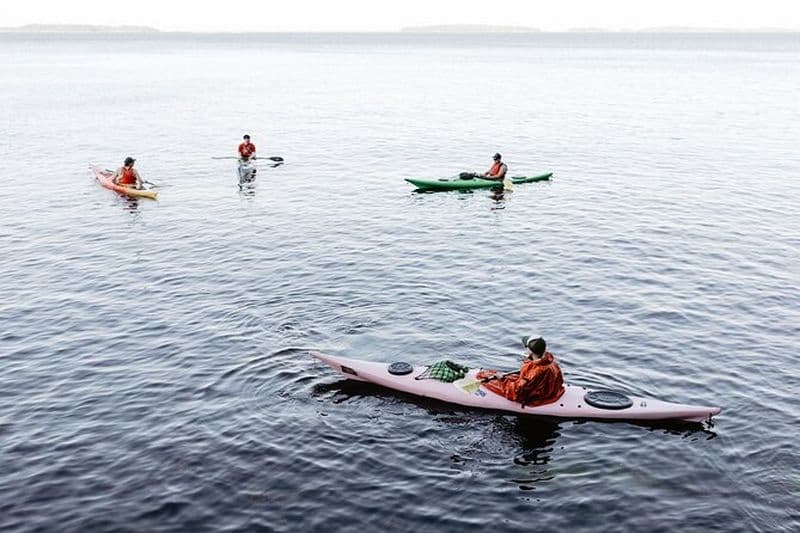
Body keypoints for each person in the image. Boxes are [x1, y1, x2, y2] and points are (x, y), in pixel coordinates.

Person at [476, 336, 565, 407]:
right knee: (490, 375)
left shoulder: (534, 371)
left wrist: (502, 380)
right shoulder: (551, 362)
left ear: (530, 350)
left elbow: (517, 391)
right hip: (549, 390)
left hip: (534, 396)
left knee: (483, 378)